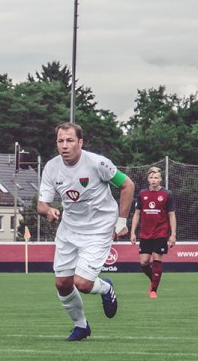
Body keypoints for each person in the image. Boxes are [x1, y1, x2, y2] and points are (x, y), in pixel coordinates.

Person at [37, 122, 134, 341]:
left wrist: (121, 222)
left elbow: (128, 185)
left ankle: (106, 288)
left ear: (80, 142)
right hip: (69, 229)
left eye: (70, 140)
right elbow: (41, 204)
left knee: (82, 283)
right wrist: (48, 211)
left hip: (99, 228)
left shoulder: (98, 163)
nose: (64, 145)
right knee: (62, 284)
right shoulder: (51, 167)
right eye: (60, 141)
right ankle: (81, 326)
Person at [130, 166, 177, 298]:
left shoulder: (167, 194)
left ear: (160, 179)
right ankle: (155, 279)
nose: (154, 180)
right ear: (148, 179)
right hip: (145, 234)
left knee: (157, 259)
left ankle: (153, 290)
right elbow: (137, 214)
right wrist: (132, 232)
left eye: (156, 177)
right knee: (144, 262)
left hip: (160, 233)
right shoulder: (142, 194)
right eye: (151, 177)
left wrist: (173, 234)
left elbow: (171, 215)